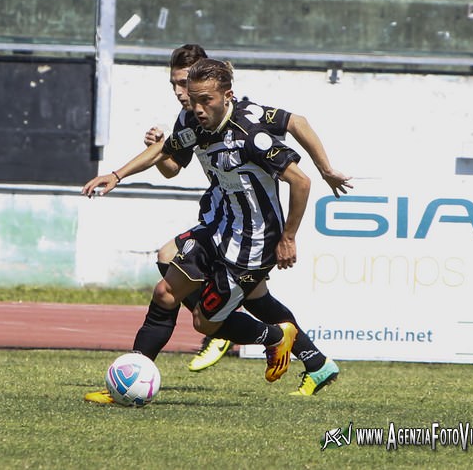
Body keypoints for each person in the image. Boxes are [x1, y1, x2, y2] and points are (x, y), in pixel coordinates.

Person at [84, 58, 338, 403]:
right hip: (218, 227)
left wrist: (289, 236)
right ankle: (130, 378)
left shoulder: (253, 135)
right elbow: (168, 149)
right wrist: (117, 174)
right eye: (193, 99)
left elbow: (301, 181)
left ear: (227, 95)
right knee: (164, 293)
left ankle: (276, 337)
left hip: (252, 243)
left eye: (206, 100)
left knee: (204, 323)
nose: (197, 108)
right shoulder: (194, 123)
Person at [142, 45, 351, 377]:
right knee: (182, 267)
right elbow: (170, 168)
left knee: (194, 281)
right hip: (221, 213)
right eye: (175, 85)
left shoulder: (245, 118)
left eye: (186, 83)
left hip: (244, 222)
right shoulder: (189, 117)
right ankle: (314, 361)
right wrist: (158, 146)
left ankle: (220, 321)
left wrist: (325, 169)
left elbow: (297, 124)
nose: (181, 94)